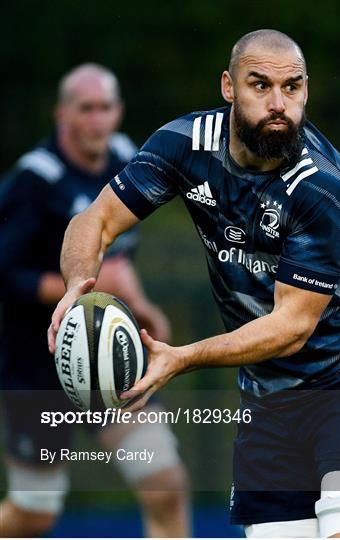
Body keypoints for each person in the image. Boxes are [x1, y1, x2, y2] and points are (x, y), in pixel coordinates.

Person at [49, 31, 340, 538]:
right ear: (228, 87)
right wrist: (76, 287)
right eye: (260, 85)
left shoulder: (325, 186)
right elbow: (97, 221)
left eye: (293, 87)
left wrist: (182, 357)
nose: (279, 103)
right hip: (268, 404)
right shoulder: (186, 145)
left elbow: (290, 327)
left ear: (307, 90)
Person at [0, 64, 189, 537]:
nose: (97, 119)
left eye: (105, 107)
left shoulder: (128, 159)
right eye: (86, 108)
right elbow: (6, 275)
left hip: (110, 361)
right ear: (62, 114)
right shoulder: (34, 180)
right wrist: (69, 289)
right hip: (38, 371)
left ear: (119, 112)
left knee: (166, 485)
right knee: (34, 514)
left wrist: (140, 307)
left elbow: (119, 262)